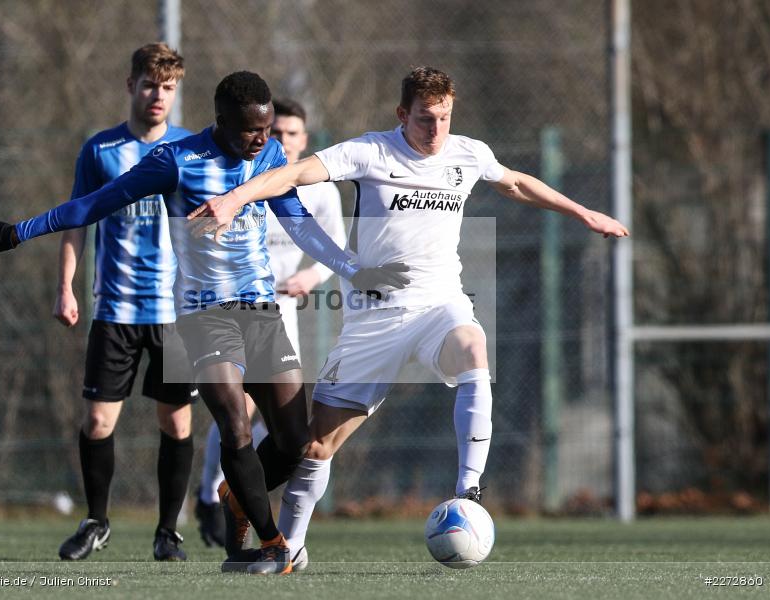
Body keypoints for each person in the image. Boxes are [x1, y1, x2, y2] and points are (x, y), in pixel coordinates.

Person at [186, 66, 630, 563]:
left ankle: (467, 491)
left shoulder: (468, 152)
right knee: (314, 447)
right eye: (424, 119)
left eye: (444, 117)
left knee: (473, 347)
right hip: (374, 318)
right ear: (402, 114)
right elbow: (290, 174)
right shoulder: (370, 152)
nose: (436, 129)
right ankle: (290, 546)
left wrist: (585, 213)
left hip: (439, 304)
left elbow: (518, 184)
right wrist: (233, 198)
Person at [0, 71, 409, 575]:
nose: (262, 139)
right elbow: (94, 203)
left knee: (294, 441)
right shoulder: (176, 161)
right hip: (204, 315)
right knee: (236, 425)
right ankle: (269, 543)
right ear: (221, 121)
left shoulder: (267, 159)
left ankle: (236, 498)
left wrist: (356, 271)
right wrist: (17, 232)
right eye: (251, 130)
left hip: (261, 312)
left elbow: (300, 227)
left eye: (268, 129)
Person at [47, 43, 195, 562]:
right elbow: (75, 219)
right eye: (150, 84)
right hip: (114, 310)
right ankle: (96, 521)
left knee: (176, 423)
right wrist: (65, 287)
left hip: (175, 315)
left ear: (176, 93)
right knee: (97, 423)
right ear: (131, 85)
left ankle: (168, 532)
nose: (158, 96)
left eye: (169, 87)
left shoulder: (191, 150)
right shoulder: (100, 150)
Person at [194, 98, 345, 557]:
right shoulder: (240, 175)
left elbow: (333, 244)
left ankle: (235, 496)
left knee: (290, 431)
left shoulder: (318, 191)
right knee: (235, 415)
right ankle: (210, 495)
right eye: (275, 130)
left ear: (305, 140)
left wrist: (313, 276)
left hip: (282, 318)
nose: (281, 138)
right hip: (228, 313)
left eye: (292, 133)